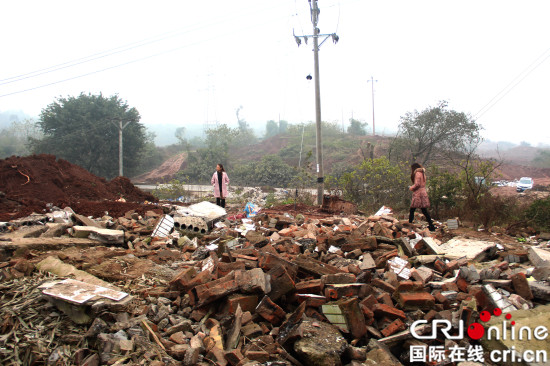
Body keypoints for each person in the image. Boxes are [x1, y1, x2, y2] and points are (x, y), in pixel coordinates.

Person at [409, 163, 435, 231]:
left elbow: (417, 184)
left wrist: (411, 188)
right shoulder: (423, 173)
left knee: (412, 209)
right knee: (424, 210)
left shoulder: (417, 173)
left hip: (418, 193)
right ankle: (431, 226)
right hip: (423, 192)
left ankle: (409, 224)